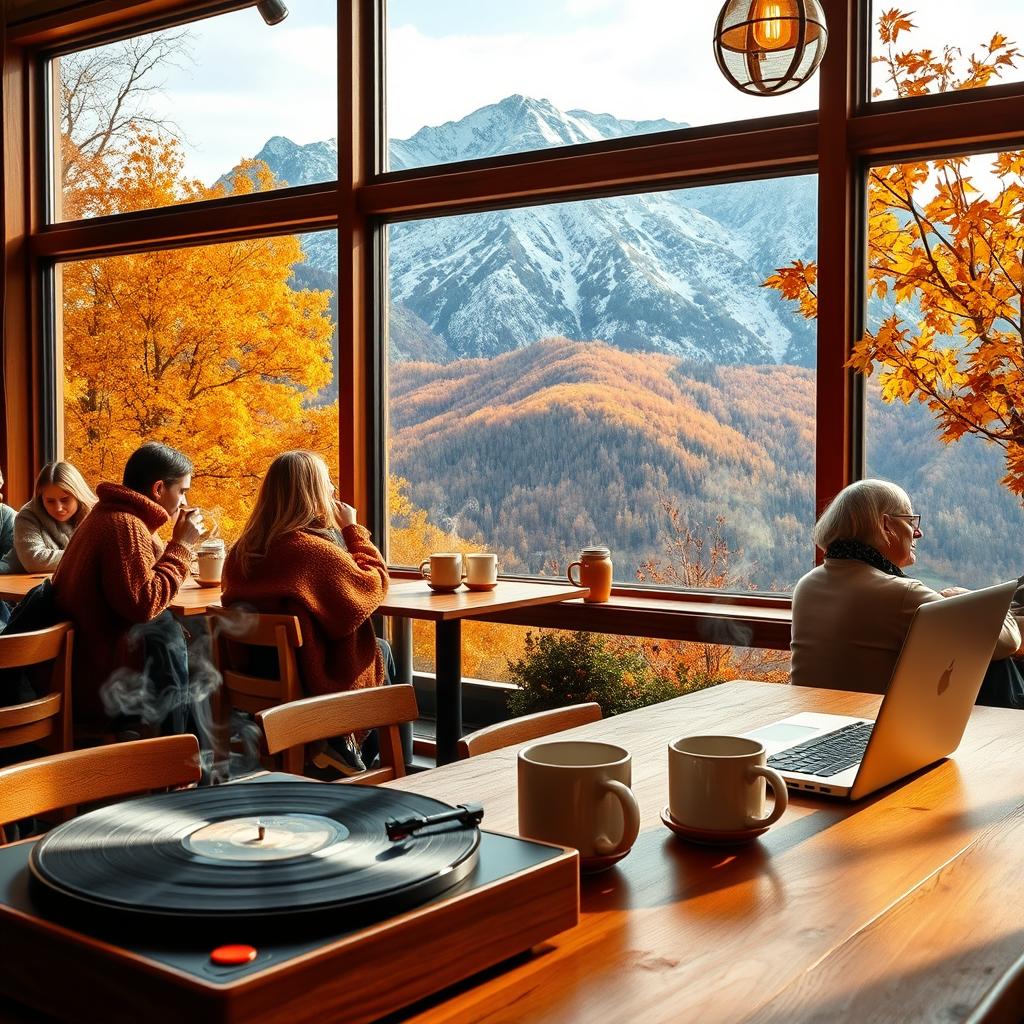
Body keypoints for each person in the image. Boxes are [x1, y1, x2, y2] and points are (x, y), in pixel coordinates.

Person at [221, 450, 407, 773]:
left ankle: (338, 751)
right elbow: (373, 584)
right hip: (307, 683)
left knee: (379, 650)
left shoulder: (241, 551)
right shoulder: (311, 552)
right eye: (327, 484)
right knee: (382, 651)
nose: (334, 490)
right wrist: (353, 530)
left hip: (256, 677)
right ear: (312, 493)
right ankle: (355, 751)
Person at [791, 478, 1022, 705]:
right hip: (870, 731)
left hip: (812, 721)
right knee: (1000, 665)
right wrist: (969, 597)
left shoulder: (808, 584)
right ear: (886, 526)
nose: (917, 533)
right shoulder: (902, 594)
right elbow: (1007, 642)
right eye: (911, 521)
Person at [51, 442, 205, 728]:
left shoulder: (109, 514)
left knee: (188, 642)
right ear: (159, 489)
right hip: (107, 683)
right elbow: (144, 603)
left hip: (89, 666)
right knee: (191, 641)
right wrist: (182, 545)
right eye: (182, 491)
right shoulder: (125, 525)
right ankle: (181, 761)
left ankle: (190, 758)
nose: (184, 502)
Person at [5, 461, 97, 573]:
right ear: (41, 498)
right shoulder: (27, 516)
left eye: (64, 500)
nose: (58, 508)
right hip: (12, 583)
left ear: (79, 495)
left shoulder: (96, 514)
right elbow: (35, 561)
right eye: (50, 501)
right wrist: (89, 555)